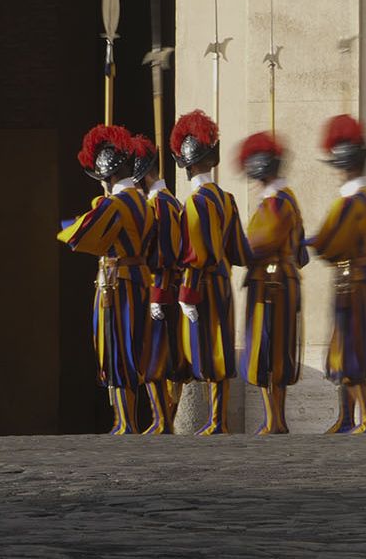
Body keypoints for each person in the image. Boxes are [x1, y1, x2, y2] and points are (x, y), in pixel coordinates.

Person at [58, 125, 154, 435]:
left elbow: (86, 236)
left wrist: (67, 224)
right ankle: (128, 420)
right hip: (138, 277)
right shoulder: (143, 201)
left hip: (118, 283)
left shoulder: (114, 204)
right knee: (132, 347)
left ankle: (125, 421)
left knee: (116, 349)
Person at [171, 110, 250, 435]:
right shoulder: (228, 199)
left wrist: (186, 294)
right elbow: (240, 251)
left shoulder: (193, 204)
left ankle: (217, 421)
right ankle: (218, 419)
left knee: (206, 349)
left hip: (202, 283)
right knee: (220, 348)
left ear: (188, 165)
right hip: (223, 282)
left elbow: (193, 256)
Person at [310, 113, 366, 434]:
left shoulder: (350, 205)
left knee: (352, 354)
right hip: (364, 281)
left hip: (351, 284)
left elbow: (329, 243)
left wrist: (312, 241)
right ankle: (346, 418)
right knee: (346, 351)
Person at [239, 131, 308, 434]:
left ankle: (276, 420)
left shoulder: (276, 204)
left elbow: (258, 243)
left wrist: (230, 247)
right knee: (272, 353)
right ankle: (274, 418)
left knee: (271, 355)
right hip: (278, 283)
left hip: (272, 287)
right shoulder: (285, 199)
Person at [139, 140, 190, 434]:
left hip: (161, 289)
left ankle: (163, 419)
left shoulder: (159, 204)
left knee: (156, 357)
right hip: (164, 288)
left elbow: (164, 254)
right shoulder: (168, 201)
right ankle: (164, 418)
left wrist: (156, 293)